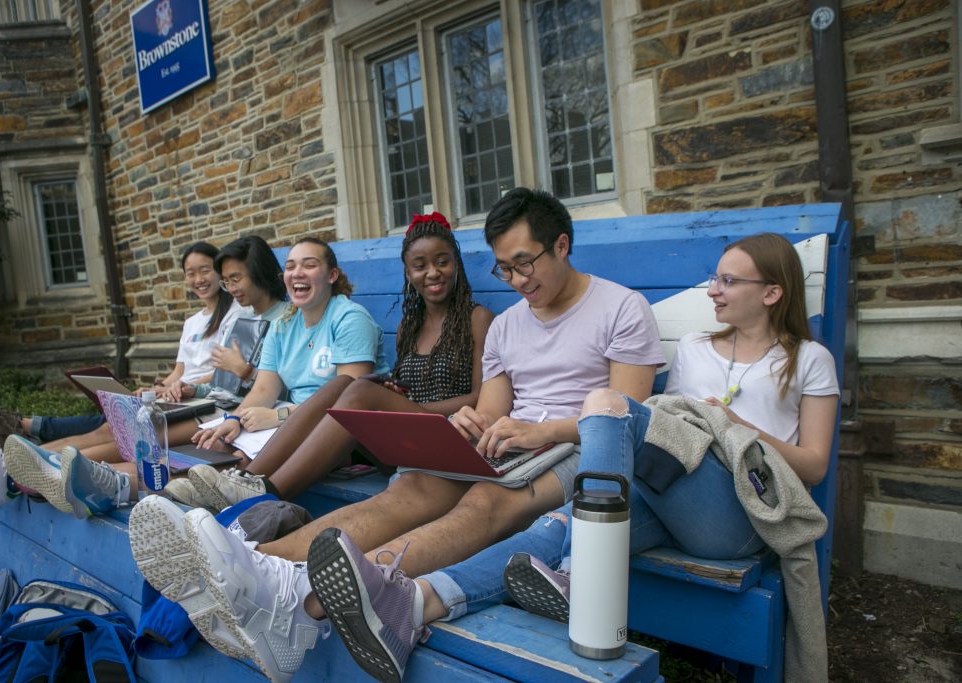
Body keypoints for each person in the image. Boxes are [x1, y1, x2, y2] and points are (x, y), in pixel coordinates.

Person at [128, 188, 665, 682]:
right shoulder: (508, 325)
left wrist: (537, 430)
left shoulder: (620, 308)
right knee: (409, 489)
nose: (517, 281)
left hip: (580, 450)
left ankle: (300, 598)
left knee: (484, 501)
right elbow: (494, 409)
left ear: (562, 245)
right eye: (504, 269)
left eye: (525, 263)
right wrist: (473, 424)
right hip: (513, 446)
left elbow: (623, 417)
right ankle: (259, 566)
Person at [307, 232, 841, 682]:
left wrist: (736, 427)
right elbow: (672, 435)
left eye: (728, 280)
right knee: (557, 527)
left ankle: (575, 573)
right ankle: (413, 604)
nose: (713, 289)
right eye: (714, 278)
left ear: (771, 292)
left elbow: (814, 465)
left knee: (607, 405)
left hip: (740, 509)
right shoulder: (698, 347)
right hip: (671, 494)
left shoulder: (809, 361)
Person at [0, 236, 287, 516]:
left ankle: (18, 475)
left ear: (258, 272)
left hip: (232, 413)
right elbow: (222, 381)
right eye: (226, 280)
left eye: (234, 279)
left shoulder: (279, 319)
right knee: (120, 426)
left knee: (135, 432)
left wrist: (239, 373)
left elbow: (270, 386)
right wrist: (187, 387)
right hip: (214, 403)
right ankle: (13, 465)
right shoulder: (247, 318)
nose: (229, 287)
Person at [180, 213, 494, 511]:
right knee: (345, 385)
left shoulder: (477, 319)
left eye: (442, 262)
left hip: (447, 433)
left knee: (355, 387)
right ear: (409, 273)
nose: (433, 272)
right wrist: (394, 395)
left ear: (456, 265)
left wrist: (408, 408)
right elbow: (406, 389)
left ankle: (267, 492)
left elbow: (481, 397)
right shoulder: (408, 327)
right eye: (420, 266)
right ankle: (245, 481)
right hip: (403, 435)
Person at [0, 241, 241, 447]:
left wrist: (179, 388)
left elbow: (224, 373)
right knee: (111, 417)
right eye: (190, 273)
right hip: (174, 397)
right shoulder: (192, 322)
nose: (198, 280)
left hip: (197, 399)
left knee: (109, 425)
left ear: (219, 272)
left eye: (205, 271)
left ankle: (20, 436)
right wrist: (157, 387)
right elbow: (179, 371)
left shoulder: (235, 314)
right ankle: (20, 433)